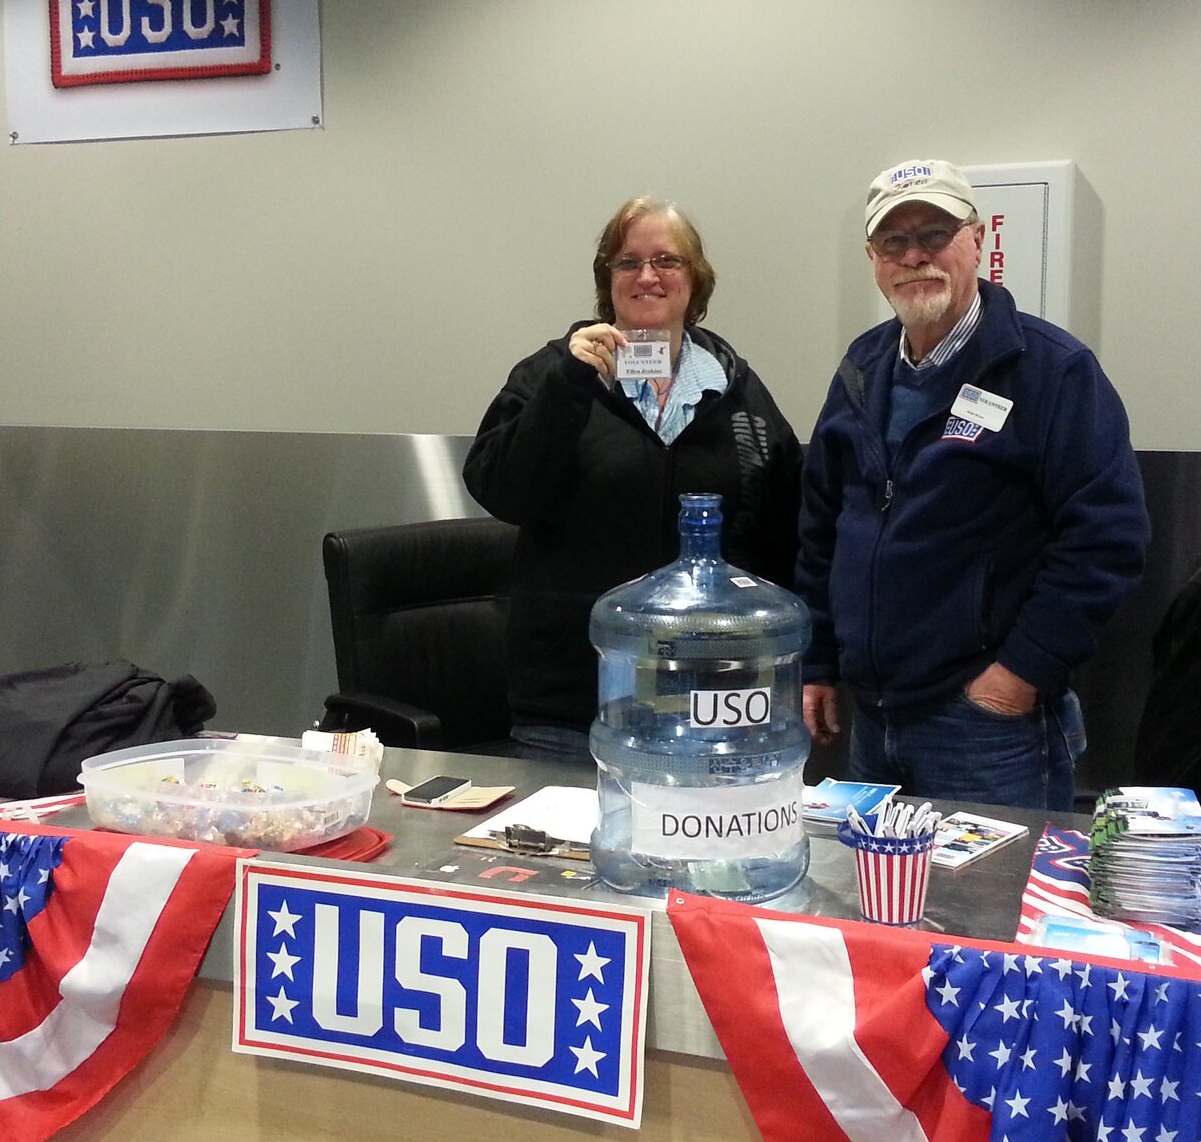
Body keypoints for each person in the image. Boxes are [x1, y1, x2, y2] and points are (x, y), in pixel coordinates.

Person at [796, 160, 1148, 808]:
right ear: (873, 258)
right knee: (878, 906)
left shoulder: (1051, 370)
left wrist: (1017, 677)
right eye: (895, 242)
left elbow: (1107, 540)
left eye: (935, 234)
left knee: (990, 907)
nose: (916, 256)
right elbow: (823, 525)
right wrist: (818, 661)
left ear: (977, 240)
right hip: (873, 717)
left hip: (986, 727)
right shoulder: (861, 368)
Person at [465, 196, 804, 761]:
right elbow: (501, 491)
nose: (647, 276)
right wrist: (568, 387)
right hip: (572, 706)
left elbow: (785, 529)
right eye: (628, 262)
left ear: (694, 281)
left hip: (714, 700)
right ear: (608, 279)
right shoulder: (551, 375)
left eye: (667, 261)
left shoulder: (735, 388)